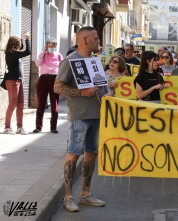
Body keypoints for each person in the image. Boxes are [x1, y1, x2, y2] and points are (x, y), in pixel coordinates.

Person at [54, 26, 108, 212]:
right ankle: (68, 197)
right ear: (85, 40)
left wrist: (108, 95)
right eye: (95, 39)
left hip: (97, 114)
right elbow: (58, 87)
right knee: (74, 154)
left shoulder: (95, 61)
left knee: (91, 154)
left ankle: (85, 194)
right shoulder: (70, 61)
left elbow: (103, 87)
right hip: (80, 116)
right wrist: (81, 92)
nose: (98, 42)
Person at [33, 37, 64, 134]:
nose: (51, 47)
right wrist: (43, 52)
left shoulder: (58, 55)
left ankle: (53, 127)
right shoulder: (43, 54)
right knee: (41, 105)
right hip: (43, 79)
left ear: (55, 46)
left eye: (53, 45)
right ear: (46, 45)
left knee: (54, 106)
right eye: (49, 45)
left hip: (55, 80)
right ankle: (38, 127)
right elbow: (37, 63)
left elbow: (63, 66)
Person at [3, 33, 31, 135]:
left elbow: (23, 49)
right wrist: (27, 39)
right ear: (15, 43)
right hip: (12, 81)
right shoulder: (11, 53)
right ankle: (7, 127)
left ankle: (20, 127)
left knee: (20, 104)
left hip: (18, 80)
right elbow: (28, 51)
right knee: (12, 104)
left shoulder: (14, 53)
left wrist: (24, 39)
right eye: (19, 42)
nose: (20, 44)